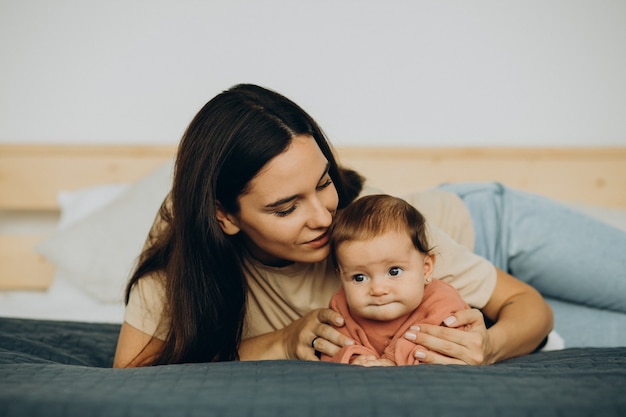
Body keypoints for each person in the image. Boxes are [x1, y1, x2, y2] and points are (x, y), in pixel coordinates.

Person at [112, 83, 624, 368]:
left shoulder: (368, 228)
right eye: (286, 207)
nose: (322, 217)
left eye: (324, 182)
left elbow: (527, 306)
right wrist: (283, 342)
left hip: (490, 227)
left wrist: (489, 344)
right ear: (224, 216)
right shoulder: (177, 272)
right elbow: (135, 377)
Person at [320, 194, 470, 366]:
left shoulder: (443, 301)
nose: (377, 289)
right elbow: (333, 347)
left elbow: (448, 346)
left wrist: (392, 359)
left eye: (394, 271)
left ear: (426, 268)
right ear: (341, 277)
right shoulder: (342, 306)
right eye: (359, 277)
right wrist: (357, 358)